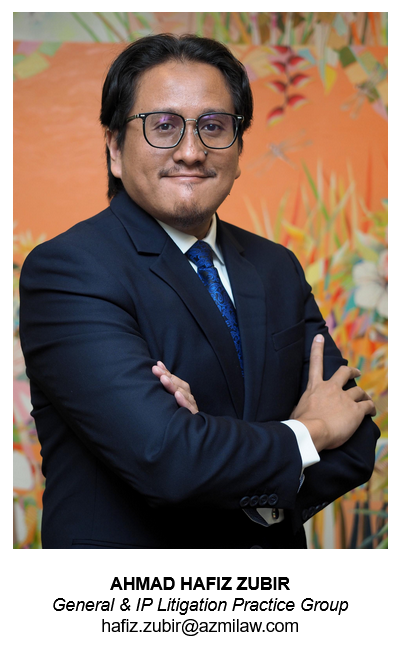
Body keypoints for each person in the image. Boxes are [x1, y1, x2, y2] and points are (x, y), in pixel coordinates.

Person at [19, 34, 379, 549]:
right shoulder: (70, 269)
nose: (191, 151)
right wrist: (312, 432)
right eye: (164, 125)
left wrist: (222, 465)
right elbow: (167, 458)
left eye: (213, 126)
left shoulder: (276, 266)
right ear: (115, 148)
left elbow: (358, 437)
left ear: (239, 148)